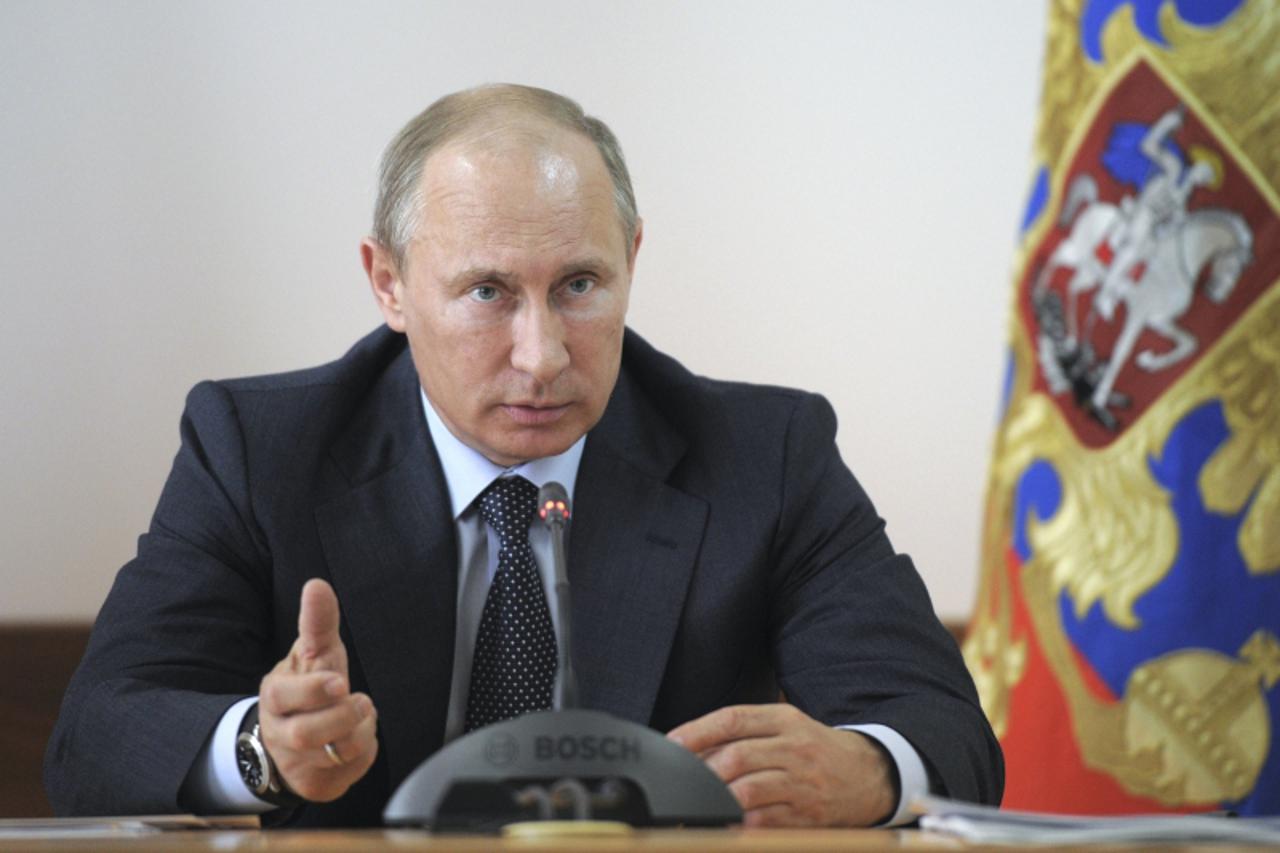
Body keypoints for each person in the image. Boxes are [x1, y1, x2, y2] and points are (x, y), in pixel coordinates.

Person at [45, 84, 1003, 828]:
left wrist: (870, 768)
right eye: (488, 292)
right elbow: (94, 738)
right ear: (388, 283)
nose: (542, 356)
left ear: (633, 255)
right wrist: (263, 747)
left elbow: (951, 731)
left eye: (580, 283)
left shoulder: (766, 455)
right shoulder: (258, 449)